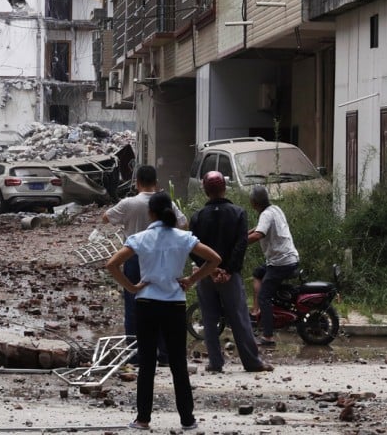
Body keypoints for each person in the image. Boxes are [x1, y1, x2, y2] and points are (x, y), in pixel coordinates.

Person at [106, 192, 220, 431]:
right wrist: (192, 279)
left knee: (147, 363)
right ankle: (187, 419)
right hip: (175, 305)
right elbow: (214, 259)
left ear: (151, 213)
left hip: (146, 304)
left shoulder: (141, 238)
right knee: (178, 362)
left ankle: (143, 419)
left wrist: (132, 288)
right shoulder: (183, 238)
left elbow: (112, 264)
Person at [189, 171, 273, 373]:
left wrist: (210, 269)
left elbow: (192, 246)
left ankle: (215, 363)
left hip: (206, 275)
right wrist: (227, 269)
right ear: (224, 189)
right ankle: (252, 362)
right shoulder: (238, 213)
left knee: (209, 319)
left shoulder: (198, 216)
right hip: (230, 276)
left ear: (205, 190)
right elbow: (240, 244)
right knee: (239, 318)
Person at [102, 164, 187, 362]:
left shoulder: (129, 203)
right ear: (156, 183)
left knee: (134, 305)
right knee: (163, 302)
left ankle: (136, 354)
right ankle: (165, 354)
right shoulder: (167, 203)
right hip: (160, 258)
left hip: (133, 257)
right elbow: (183, 223)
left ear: (137, 183)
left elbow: (106, 218)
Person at [246, 184, 300, 346]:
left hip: (280, 263)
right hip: (287, 259)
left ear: (254, 203)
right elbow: (257, 229)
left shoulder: (266, 215)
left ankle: (268, 336)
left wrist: (240, 243)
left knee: (264, 295)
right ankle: (256, 311)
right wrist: (243, 233)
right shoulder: (275, 209)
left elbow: (259, 234)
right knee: (257, 273)